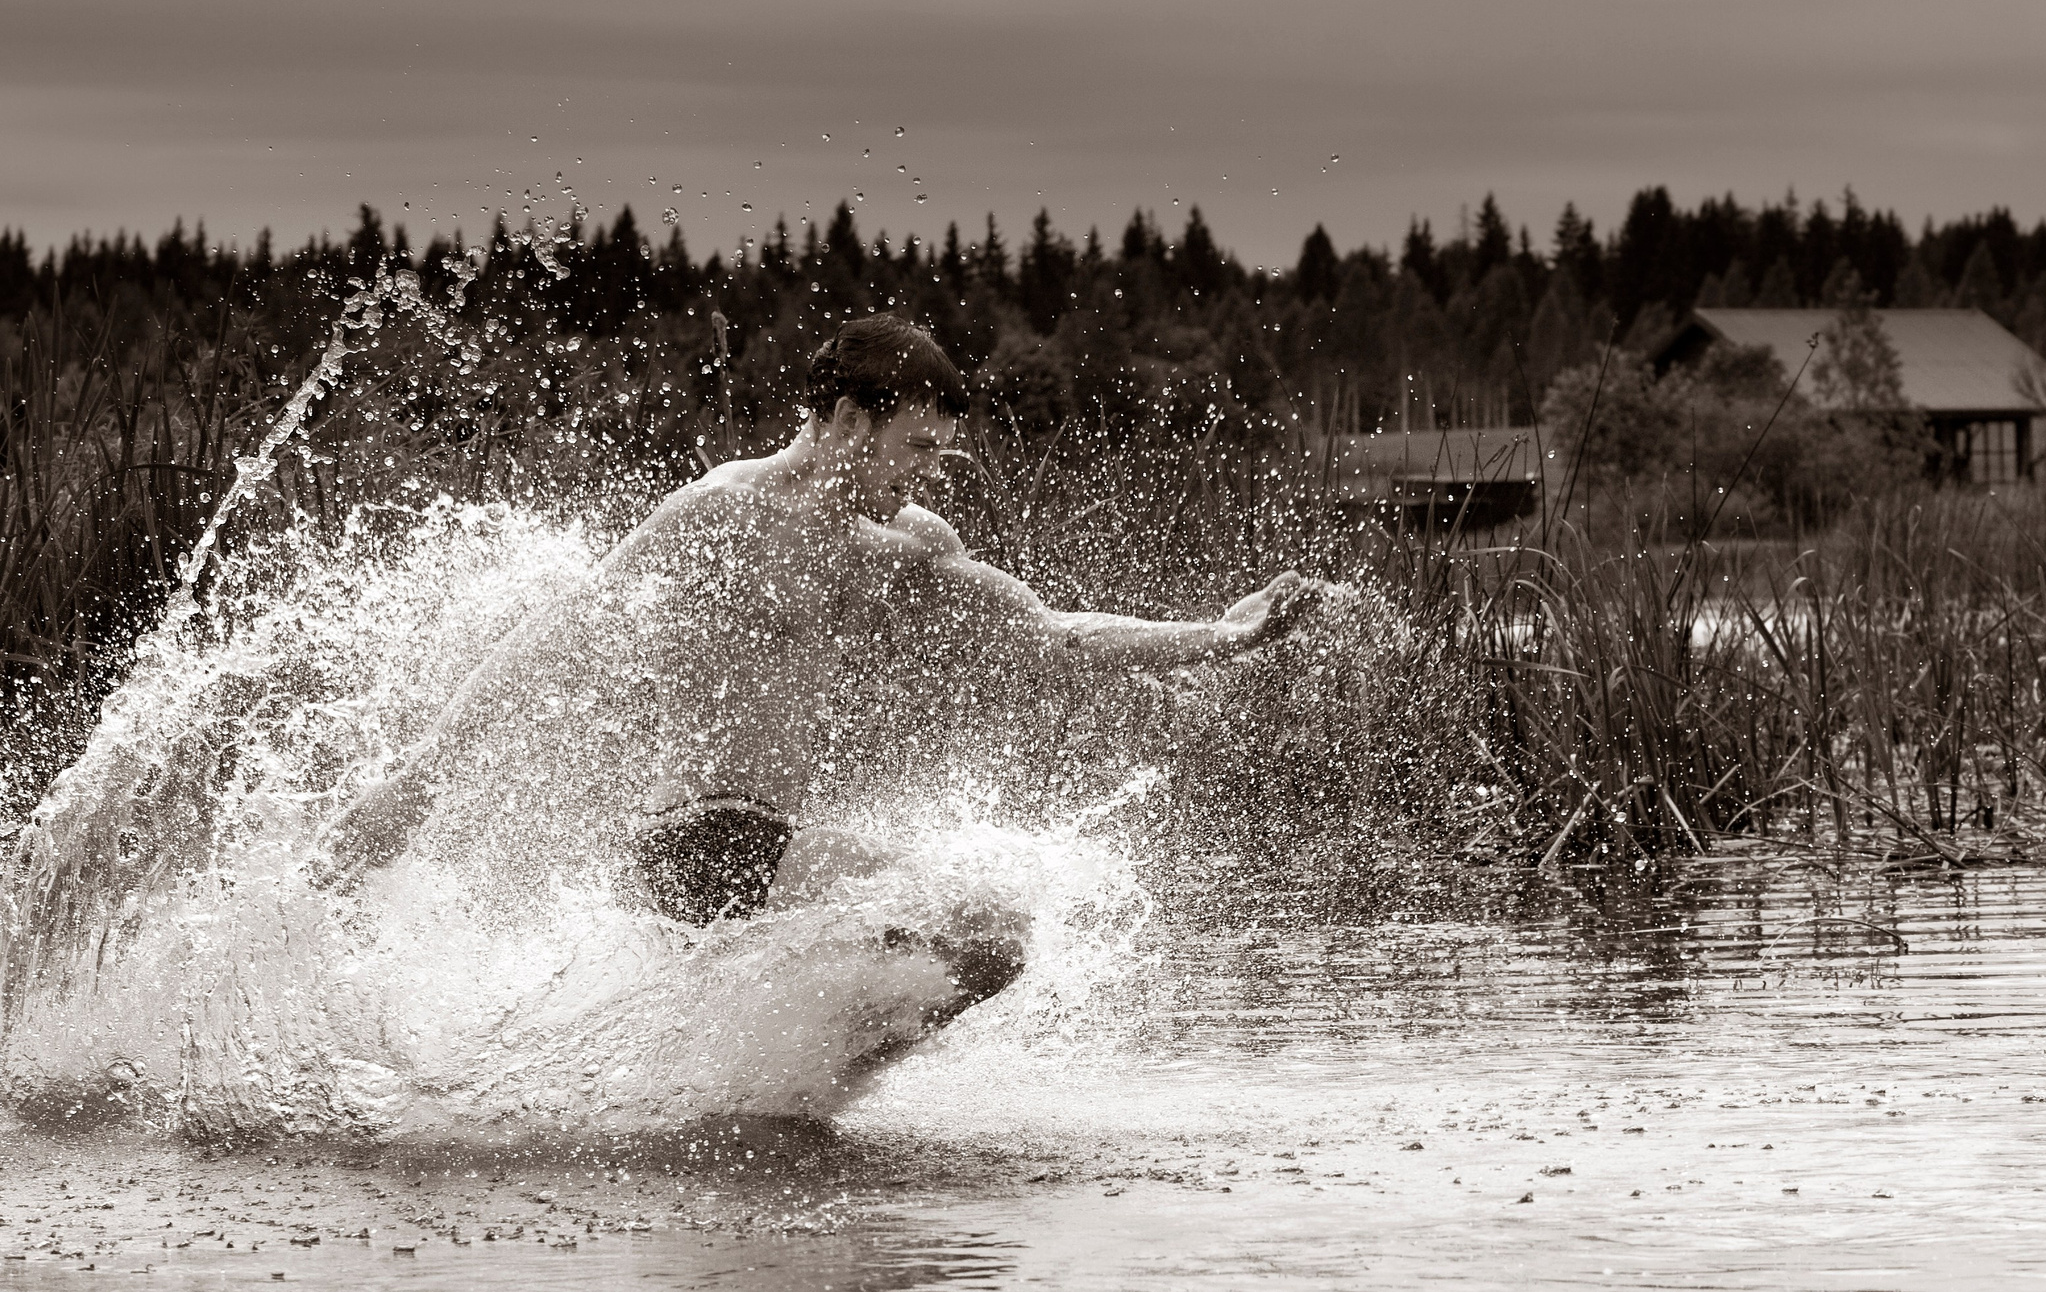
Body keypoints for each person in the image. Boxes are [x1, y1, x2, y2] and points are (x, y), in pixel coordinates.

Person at [317, 315, 1306, 1005]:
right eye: (914, 448)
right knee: (982, 928)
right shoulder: (718, 512)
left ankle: (775, 1094)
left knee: (986, 943)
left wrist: (1216, 636)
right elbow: (565, 631)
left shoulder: (907, 541)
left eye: (937, 456)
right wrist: (423, 778)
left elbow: (1049, 629)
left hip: (773, 841)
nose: (926, 474)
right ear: (842, 418)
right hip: (697, 837)